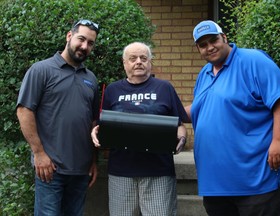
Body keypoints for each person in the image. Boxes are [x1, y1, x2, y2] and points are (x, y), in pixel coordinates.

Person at [185, 20, 280, 216]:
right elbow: (200, 109)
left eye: (213, 40)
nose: (210, 47)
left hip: (256, 180)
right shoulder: (204, 74)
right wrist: (165, 111)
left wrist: (278, 141)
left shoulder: (254, 61)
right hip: (216, 183)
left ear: (224, 37)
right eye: (203, 45)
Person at [91, 42, 188, 216]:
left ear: (150, 62)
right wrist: (96, 132)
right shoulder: (112, 90)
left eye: (143, 58)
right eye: (133, 58)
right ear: (124, 63)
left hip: (158, 171)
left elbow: (179, 125)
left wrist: (181, 139)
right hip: (121, 172)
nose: (138, 62)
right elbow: (102, 125)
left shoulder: (164, 88)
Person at [16, 19, 100, 216]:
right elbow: (24, 111)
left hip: (81, 171)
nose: (85, 46)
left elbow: (92, 122)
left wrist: (93, 161)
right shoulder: (41, 70)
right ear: (69, 36)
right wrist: (39, 154)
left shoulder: (91, 79)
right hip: (50, 169)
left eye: (90, 43)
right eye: (81, 39)